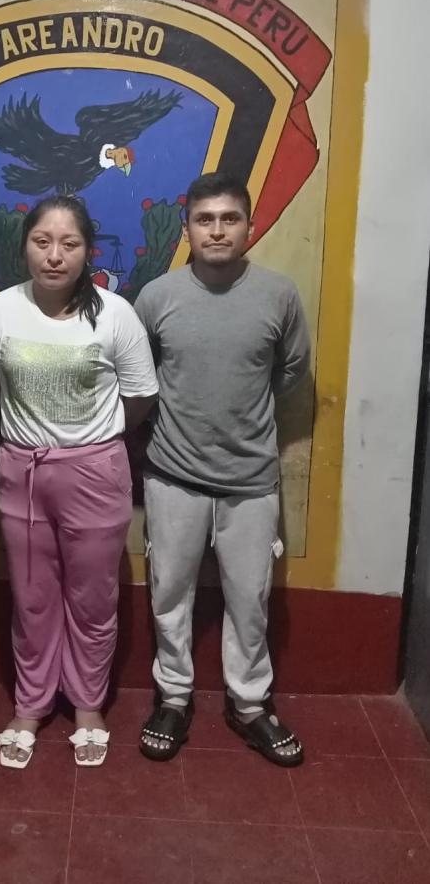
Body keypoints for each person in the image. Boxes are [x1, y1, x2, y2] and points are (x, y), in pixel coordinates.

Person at [0, 195, 157, 768]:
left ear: (87, 250)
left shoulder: (116, 314)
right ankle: (30, 704)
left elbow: (140, 397)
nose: (55, 255)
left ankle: (88, 706)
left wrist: (91, 443)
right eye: (42, 241)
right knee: (32, 597)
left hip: (96, 473)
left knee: (92, 599)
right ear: (24, 246)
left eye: (69, 244)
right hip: (21, 471)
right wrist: (27, 435)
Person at [134, 172, 309, 766]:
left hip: (251, 479)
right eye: (204, 219)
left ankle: (251, 705)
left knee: (249, 599)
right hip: (172, 474)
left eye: (229, 219)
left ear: (249, 227)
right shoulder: (157, 296)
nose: (216, 230)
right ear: (186, 229)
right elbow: (138, 375)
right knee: (169, 594)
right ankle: (173, 698)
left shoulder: (280, 296)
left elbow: (292, 371)